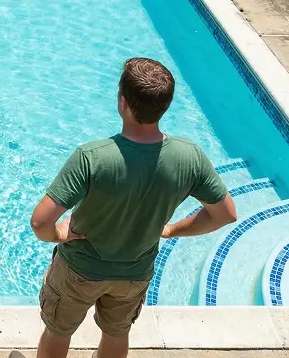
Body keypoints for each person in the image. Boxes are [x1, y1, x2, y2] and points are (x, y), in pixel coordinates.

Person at [24, 57, 238, 358]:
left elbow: (39, 222)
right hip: (135, 273)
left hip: (79, 270)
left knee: (59, 330)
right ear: (165, 105)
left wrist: (58, 235)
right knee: (116, 332)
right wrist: (172, 229)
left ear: (122, 101)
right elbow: (226, 214)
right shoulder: (190, 157)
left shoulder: (92, 157)